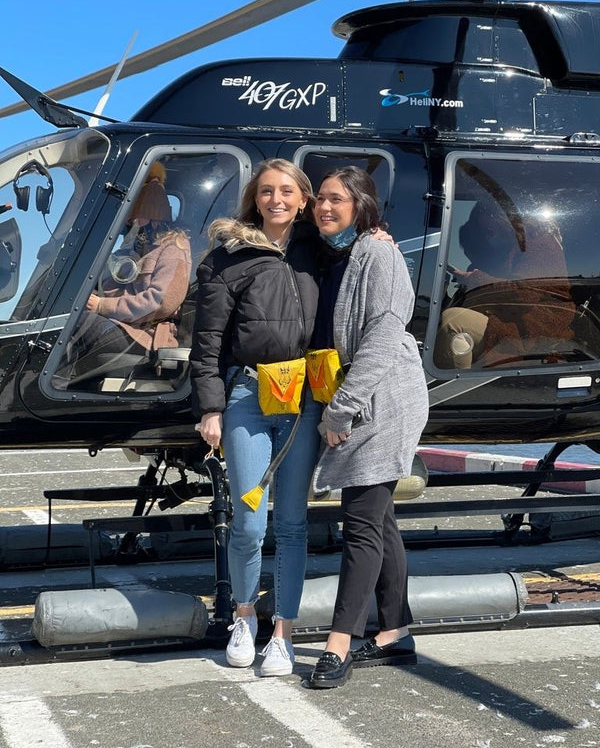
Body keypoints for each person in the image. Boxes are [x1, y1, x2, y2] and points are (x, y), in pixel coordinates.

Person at [189, 158, 323, 677]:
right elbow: (207, 344)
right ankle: (243, 618)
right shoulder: (227, 260)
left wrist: (374, 236)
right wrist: (210, 408)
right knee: (248, 522)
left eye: (287, 191)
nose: (276, 200)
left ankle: (282, 635)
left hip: (304, 399)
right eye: (267, 191)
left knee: (291, 523)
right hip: (248, 394)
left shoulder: (320, 252)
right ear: (254, 199)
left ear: (303, 199)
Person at [307, 166, 428, 690]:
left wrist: (342, 408)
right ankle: (394, 632)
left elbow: (382, 334)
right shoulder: (346, 253)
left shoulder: (379, 254)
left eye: (336, 199)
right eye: (320, 200)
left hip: (382, 398)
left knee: (359, 522)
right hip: (365, 393)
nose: (324, 207)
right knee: (379, 522)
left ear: (361, 206)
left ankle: (339, 645)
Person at [55, 162, 192, 387]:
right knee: (66, 311)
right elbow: (108, 283)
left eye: (136, 217)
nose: (132, 222)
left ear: (152, 212)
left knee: (75, 319)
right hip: (122, 327)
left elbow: (160, 302)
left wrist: (101, 306)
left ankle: (53, 390)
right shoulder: (135, 248)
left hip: (143, 336)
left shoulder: (174, 247)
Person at [434, 202, 575, 369]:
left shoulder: (541, 244)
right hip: (507, 322)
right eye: (484, 232)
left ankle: (453, 390)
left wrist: (473, 279)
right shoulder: (502, 257)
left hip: (533, 329)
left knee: (453, 323)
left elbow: (523, 294)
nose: (487, 237)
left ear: (503, 219)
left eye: (489, 231)